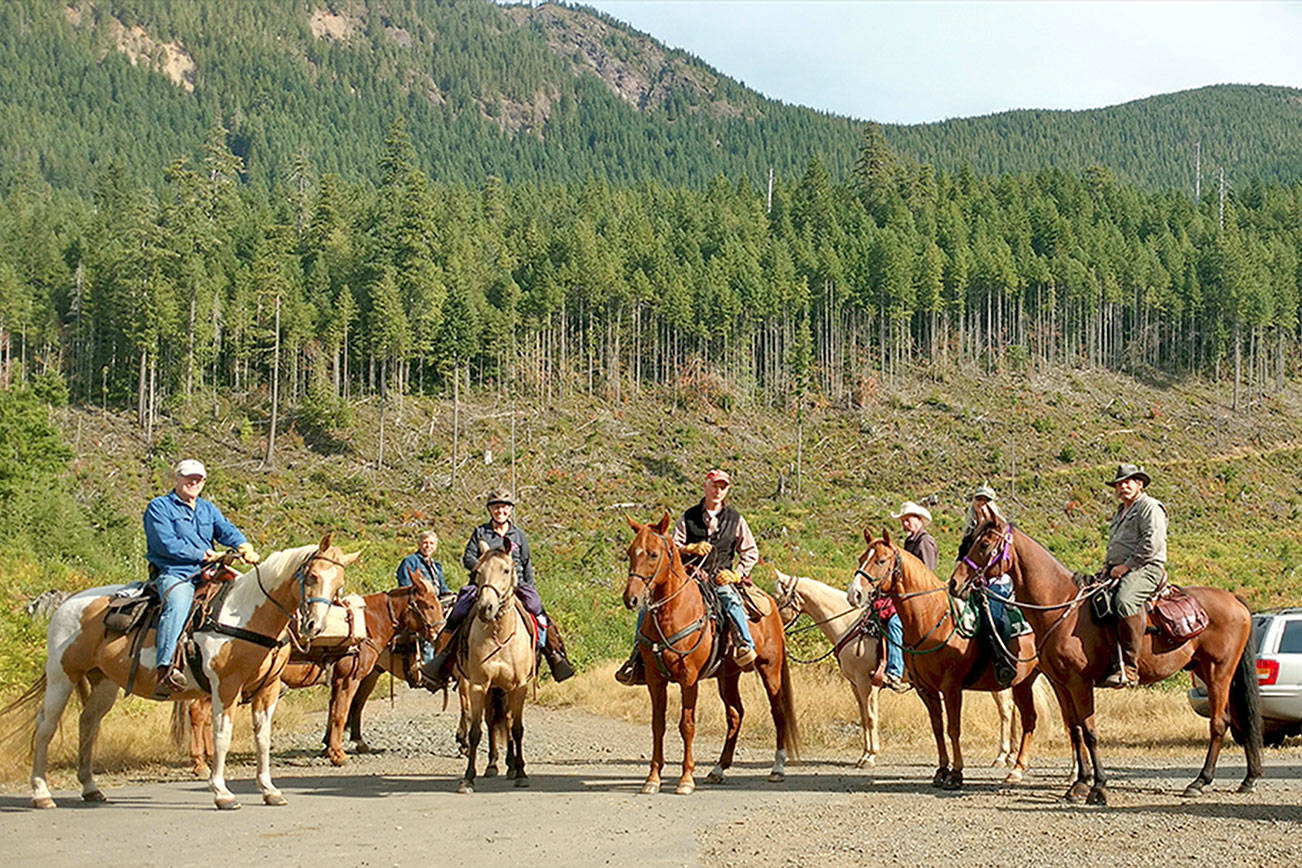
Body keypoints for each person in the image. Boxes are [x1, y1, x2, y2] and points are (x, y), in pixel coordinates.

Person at [615, 469, 758, 686]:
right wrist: (691, 548)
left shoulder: (736, 519)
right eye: (714, 486)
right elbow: (671, 546)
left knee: (731, 600)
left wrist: (736, 574)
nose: (718, 491)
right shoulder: (689, 516)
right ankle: (637, 656)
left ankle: (745, 645)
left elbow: (750, 552)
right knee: (647, 606)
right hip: (690, 575)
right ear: (706, 486)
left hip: (720, 577)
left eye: (723, 487)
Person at [421, 489, 575, 686]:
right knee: (458, 612)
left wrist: (530, 587)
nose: (500, 511)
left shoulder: (518, 535)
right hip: (484, 584)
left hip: (516, 584)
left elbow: (526, 562)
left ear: (509, 510)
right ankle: (443, 661)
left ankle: (553, 655)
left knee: (539, 611)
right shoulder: (480, 532)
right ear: (490, 510)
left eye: (504, 507)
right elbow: (468, 557)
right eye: (495, 507)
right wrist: (485, 566)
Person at [143, 459, 258, 695]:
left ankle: (262, 668)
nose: (194, 482)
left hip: (210, 572)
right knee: (177, 604)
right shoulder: (159, 507)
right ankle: (165, 669)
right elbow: (166, 544)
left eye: (199, 479)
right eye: (189, 478)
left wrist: (242, 544)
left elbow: (225, 529)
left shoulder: (207, 509)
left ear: (204, 482)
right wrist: (205, 554)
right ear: (176, 479)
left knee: (251, 594)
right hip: (175, 572)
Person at [1100, 463, 1166, 688]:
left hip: (1146, 567)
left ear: (1140, 484)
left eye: (1127, 482)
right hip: (1118, 568)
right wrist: (1108, 568)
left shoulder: (1150, 507)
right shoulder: (1120, 512)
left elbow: (1152, 543)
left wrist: (1126, 566)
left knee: (1125, 601)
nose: (1122, 487)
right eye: (1119, 484)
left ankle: (1130, 667)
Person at [957, 484, 1016, 686]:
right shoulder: (970, 532)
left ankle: (1002, 661)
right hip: (973, 583)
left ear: (992, 504)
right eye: (979, 499)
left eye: (986, 500)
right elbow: (962, 559)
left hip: (997, 581)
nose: (982, 504)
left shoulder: (999, 529)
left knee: (991, 616)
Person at [879, 501, 937, 692]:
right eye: (903, 521)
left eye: (908, 520)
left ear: (918, 520)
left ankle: (895, 672)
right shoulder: (910, 542)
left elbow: (926, 575)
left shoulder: (924, 542)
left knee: (896, 622)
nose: (905, 524)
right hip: (909, 597)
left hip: (923, 599)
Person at [396, 530, 450, 663]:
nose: (428, 546)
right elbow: (405, 587)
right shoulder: (410, 562)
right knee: (429, 631)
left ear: (435, 546)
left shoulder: (436, 565)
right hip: (420, 605)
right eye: (425, 543)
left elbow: (442, 587)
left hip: (435, 603)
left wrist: (452, 595)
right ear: (419, 544)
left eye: (431, 543)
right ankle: (427, 666)